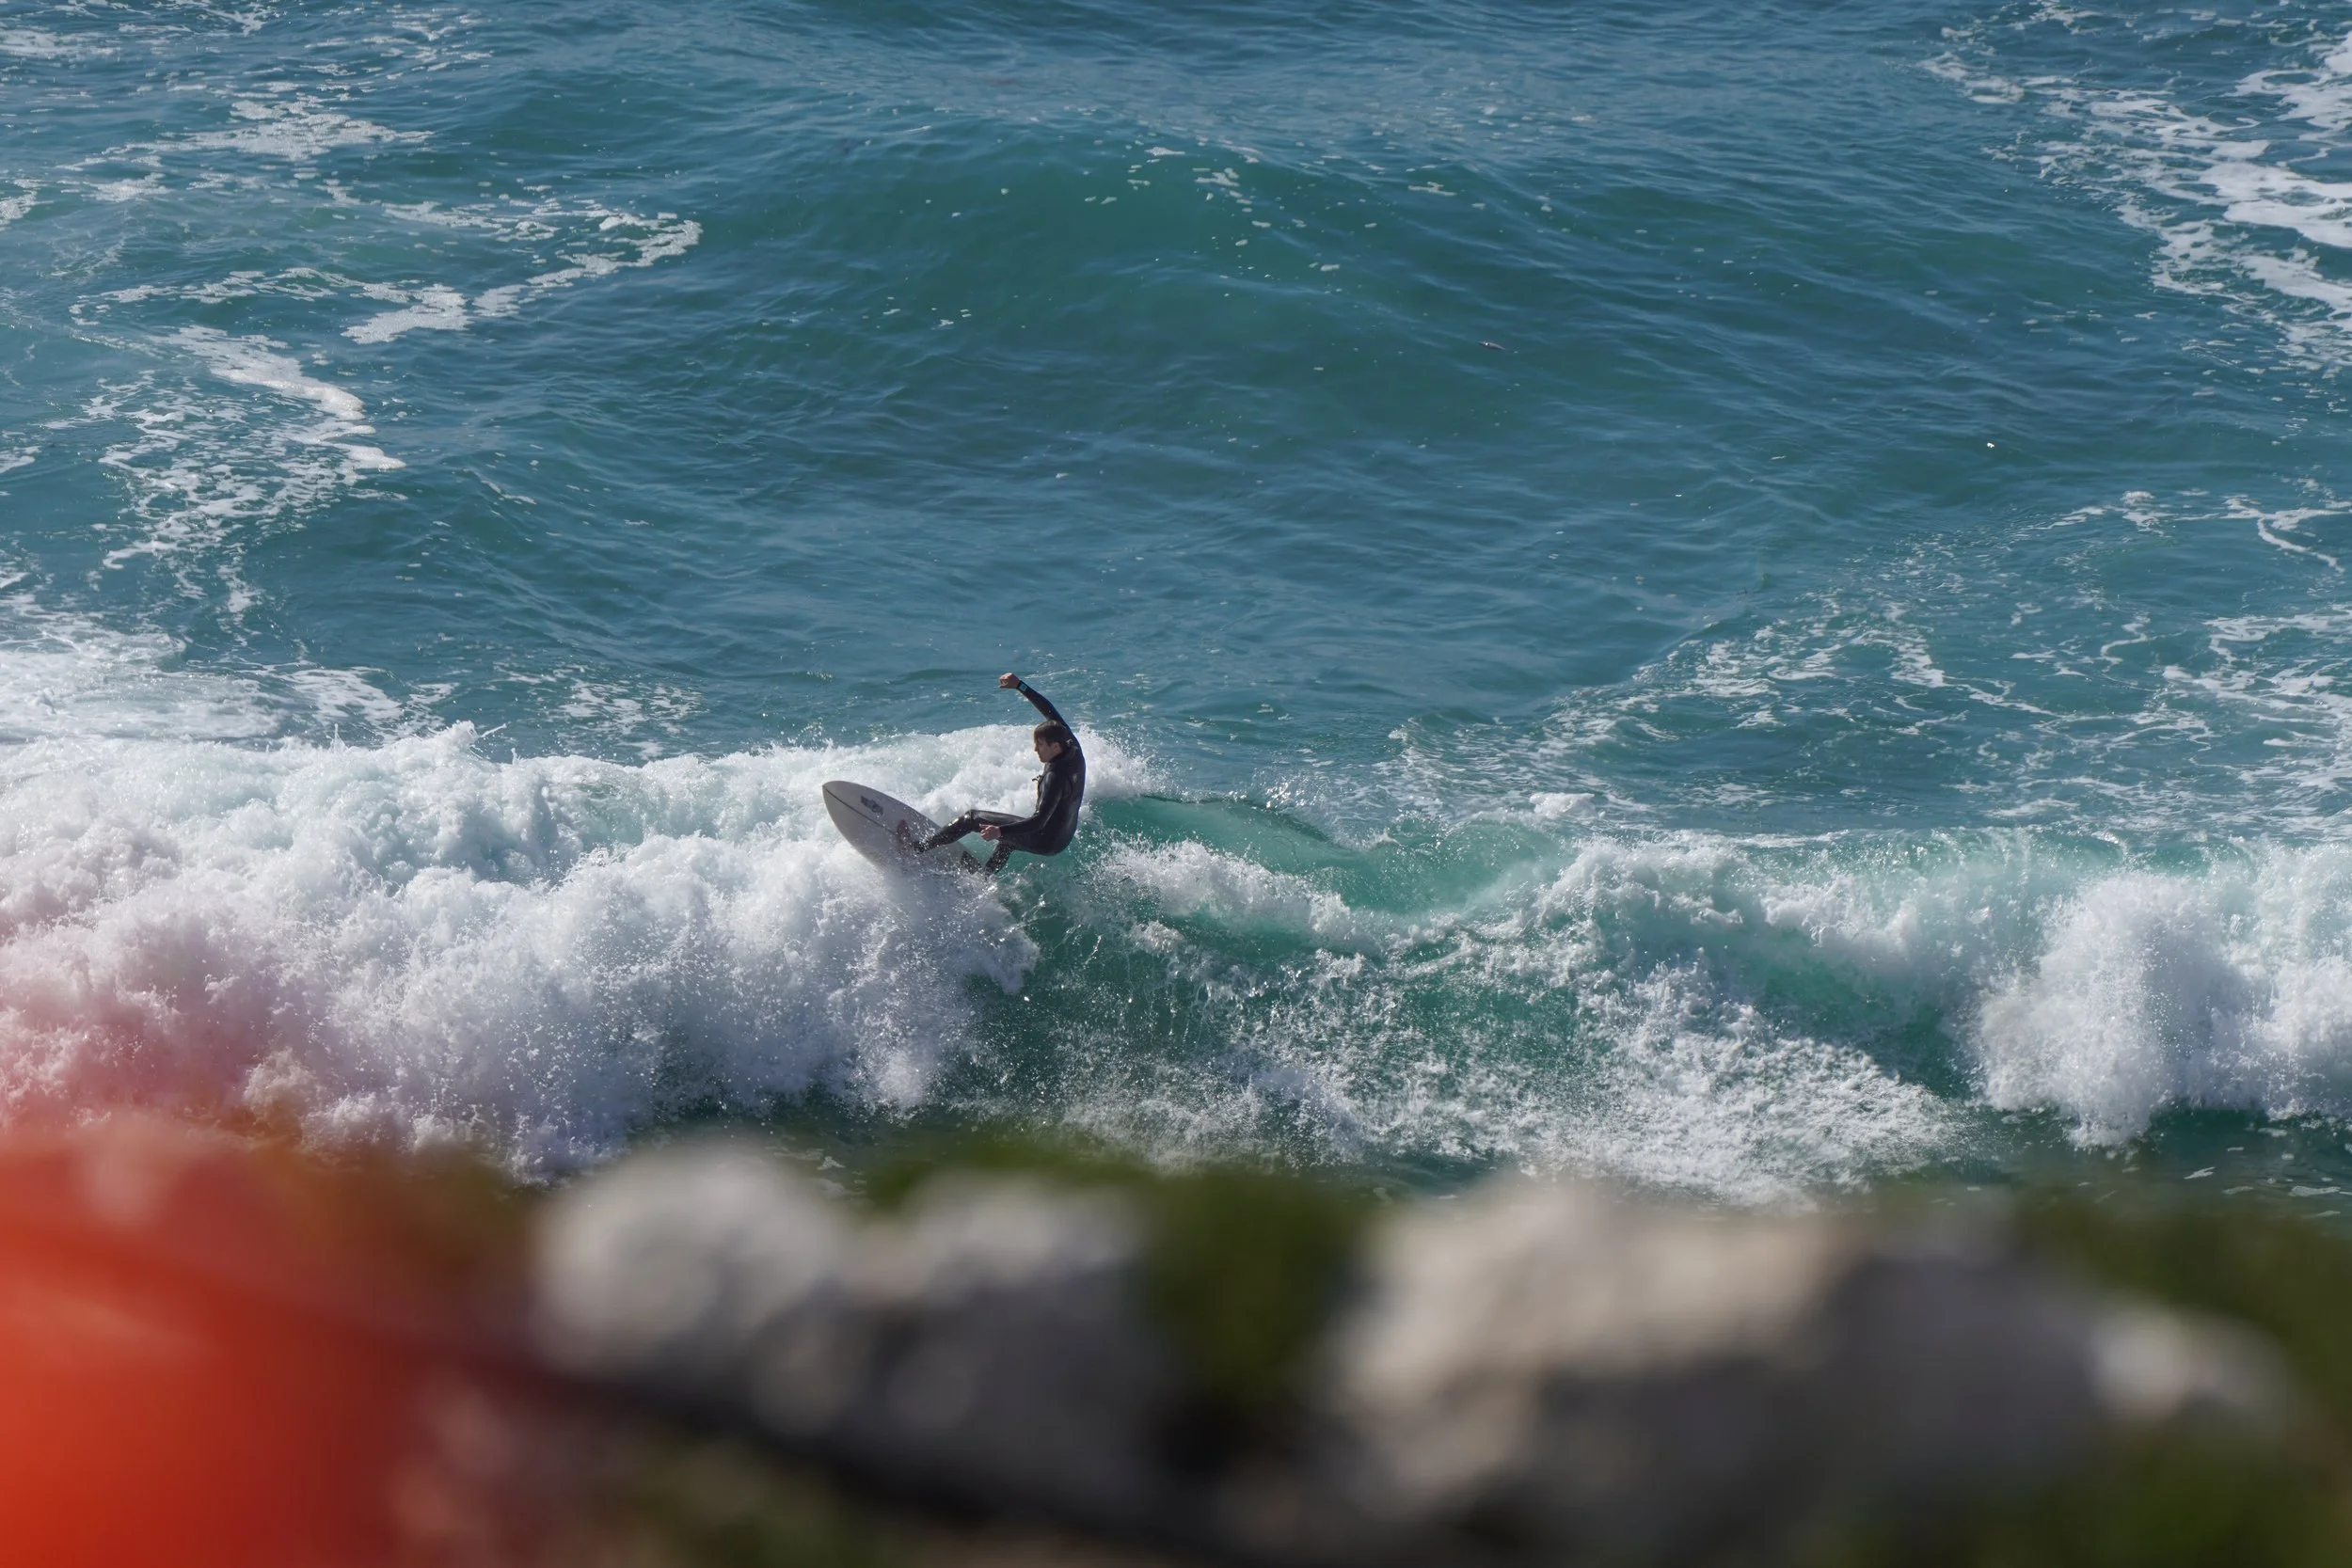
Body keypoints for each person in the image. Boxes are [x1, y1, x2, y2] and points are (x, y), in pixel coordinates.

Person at [917, 673, 1087, 874]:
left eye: (1040, 745)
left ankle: (917, 849)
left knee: (971, 819)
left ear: (1055, 747)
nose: (1035, 749)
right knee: (1008, 842)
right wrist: (1020, 686)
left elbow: (1039, 820)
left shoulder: (1055, 777)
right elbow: (1050, 711)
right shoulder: (1071, 746)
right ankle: (984, 876)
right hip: (1060, 839)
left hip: (1044, 837)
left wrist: (1000, 830)